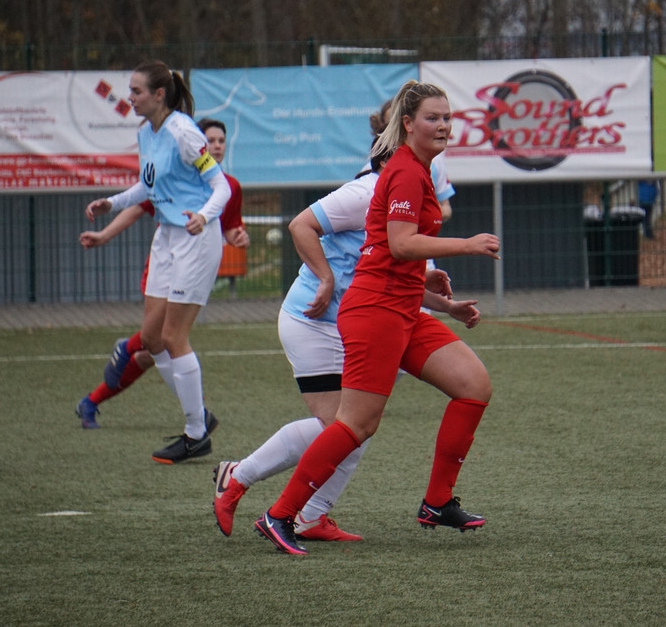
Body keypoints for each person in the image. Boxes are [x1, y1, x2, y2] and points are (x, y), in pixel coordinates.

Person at [254, 80, 501, 555]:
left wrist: (441, 300)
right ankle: (279, 515)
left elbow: (392, 250)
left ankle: (437, 501)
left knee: (473, 385)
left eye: (447, 117)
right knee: (357, 425)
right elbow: (400, 243)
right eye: (432, 117)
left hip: (402, 304)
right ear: (407, 124)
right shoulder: (407, 171)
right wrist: (467, 244)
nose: (443, 125)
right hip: (376, 309)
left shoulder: (419, 170)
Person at [211, 146, 481, 543]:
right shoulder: (364, 192)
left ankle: (310, 516)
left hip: (369, 317)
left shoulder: (410, 199)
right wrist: (325, 278)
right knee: (343, 424)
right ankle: (242, 477)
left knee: (354, 425)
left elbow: (398, 273)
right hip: (315, 319)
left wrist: (447, 306)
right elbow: (301, 226)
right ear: (391, 158)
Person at [85, 61, 231, 463]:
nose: (129, 98)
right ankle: (198, 416)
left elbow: (220, 187)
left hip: (194, 238)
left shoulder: (185, 133)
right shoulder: (145, 132)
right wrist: (111, 203)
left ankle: (196, 431)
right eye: (129, 91)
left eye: (136, 91)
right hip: (166, 237)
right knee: (151, 339)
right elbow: (147, 185)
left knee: (173, 338)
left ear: (159, 95)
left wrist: (204, 215)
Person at [75, 119, 249, 433]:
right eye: (210, 140)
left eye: (221, 140)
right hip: (168, 263)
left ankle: (93, 400)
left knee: (156, 350)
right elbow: (140, 205)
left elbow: (230, 227)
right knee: (159, 340)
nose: (217, 145)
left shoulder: (230, 186)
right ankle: (193, 419)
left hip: (192, 264)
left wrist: (238, 236)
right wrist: (104, 234)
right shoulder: (175, 172)